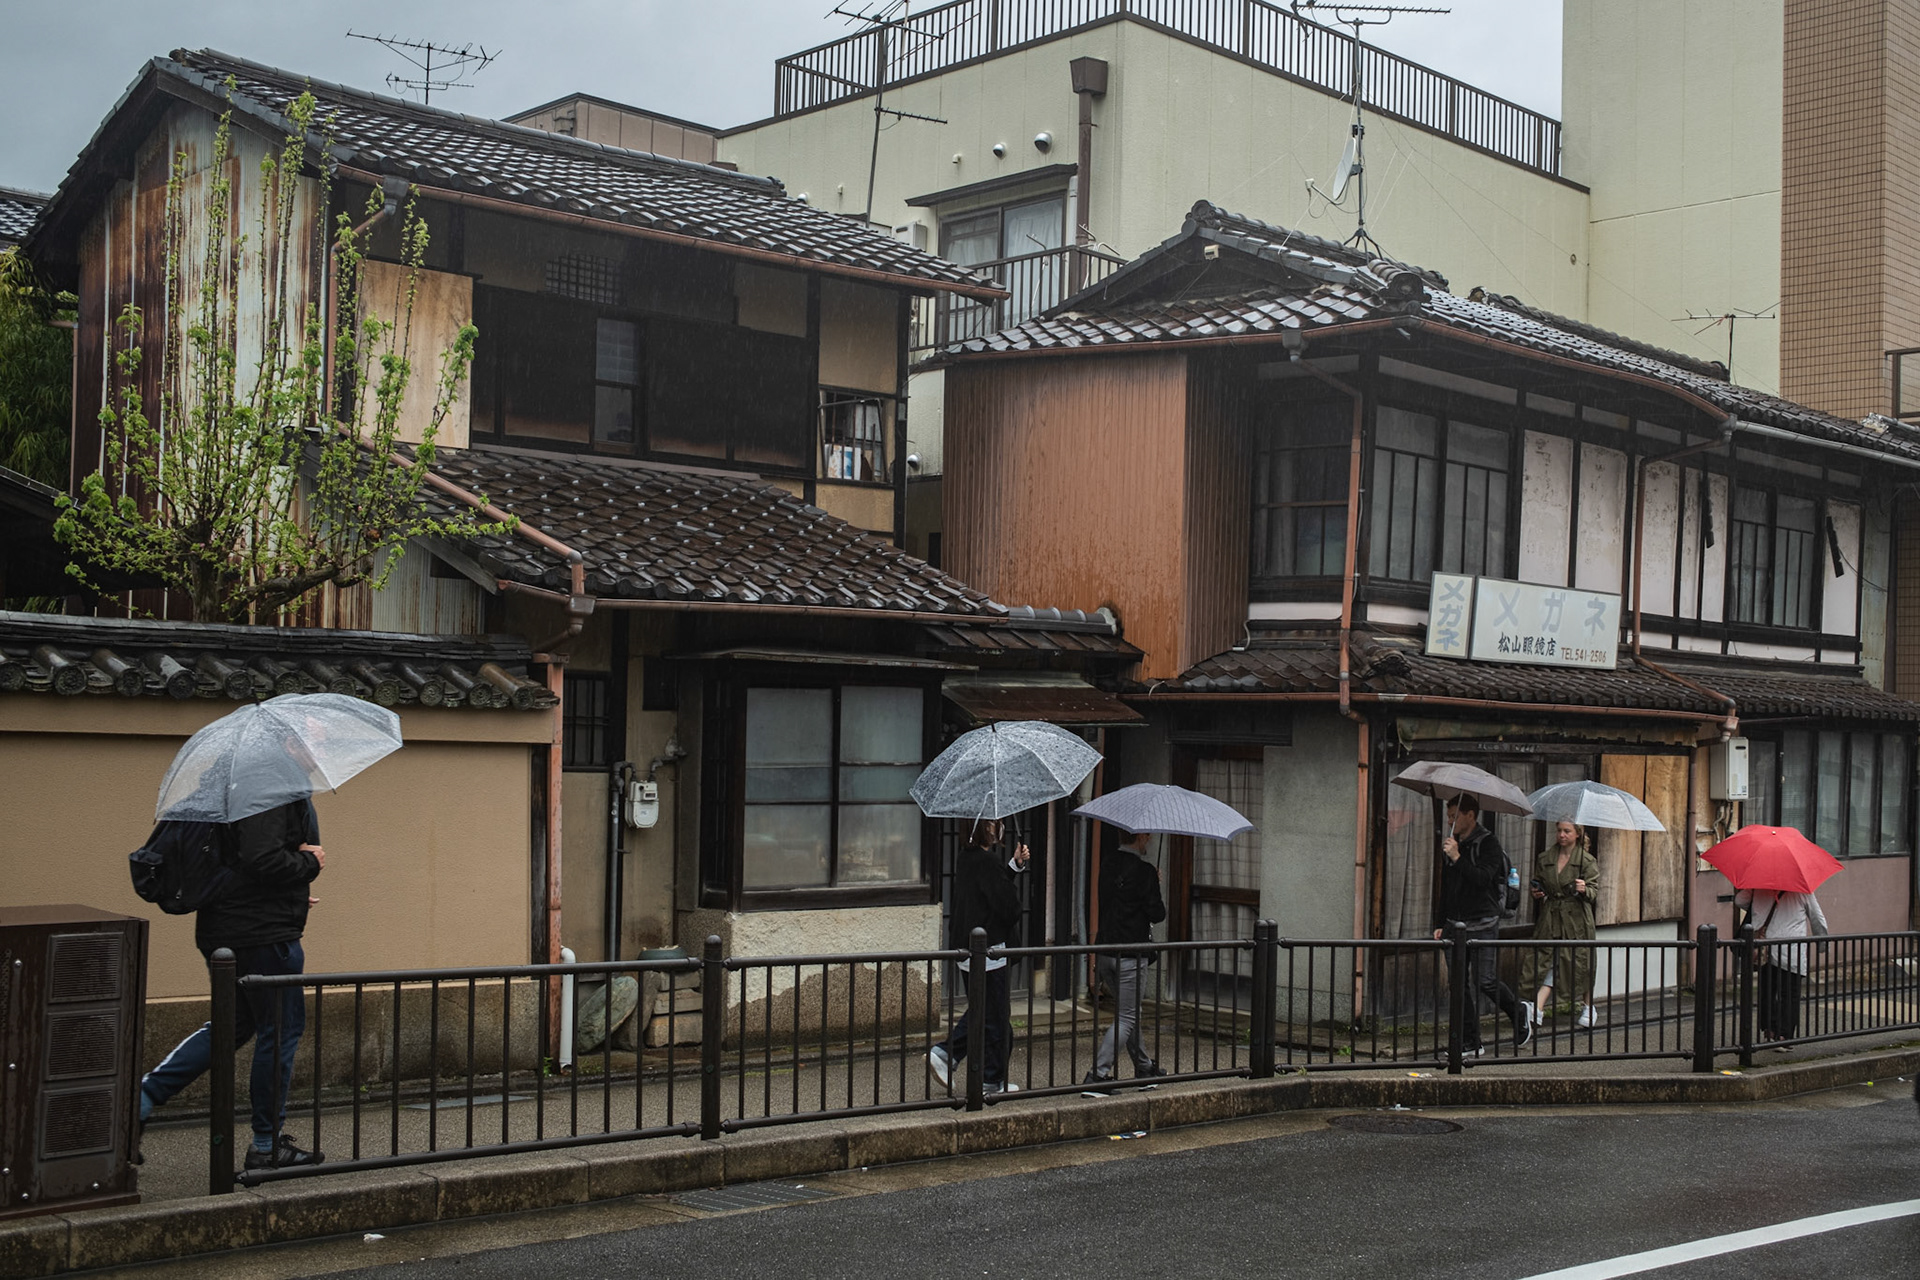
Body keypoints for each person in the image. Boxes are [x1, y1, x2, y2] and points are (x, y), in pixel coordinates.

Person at [139, 792, 327, 1169]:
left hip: (228, 927)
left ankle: (141, 1100)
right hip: (262, 935)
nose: (315, 758)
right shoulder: (269, 790)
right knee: (280, 1030)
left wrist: (287, 891)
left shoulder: (231, 788)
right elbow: (262, 858)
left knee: (231, 1025)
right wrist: (309, 862)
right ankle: (266, 1145)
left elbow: (237, 862)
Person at [928, 819, 1029, 1094]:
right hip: (989, 950)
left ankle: (980, 1072)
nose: (998, 827)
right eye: (993, 823)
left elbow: (987, 893)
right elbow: (1008, 906)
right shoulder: (987, 861)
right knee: (992, 1016)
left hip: (969, 947)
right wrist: (1009, 881)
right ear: (983, 828)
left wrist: (1013, 866)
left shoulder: (967, 858)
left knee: (988, 1013)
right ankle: (955, 1059)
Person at [1432, 794, 1532, 1056]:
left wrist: (1457, 857)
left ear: (1470, 815)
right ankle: (1470, 1042)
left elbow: (1482, 879)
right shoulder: (1453, 844)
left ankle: (1518, 1011)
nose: (1450, 821)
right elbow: (1446, 886)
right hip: (1455, 924)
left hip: (1483, 922)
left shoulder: (1489, 843)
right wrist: (1440, 921)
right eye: (1448, 816)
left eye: (1454, 816)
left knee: (1484, 980)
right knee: (1458, 985)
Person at [1084, 829, 1170, 1091]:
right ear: (1140, 837)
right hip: (1131, 955)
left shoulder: (1107, 864)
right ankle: (1097, 1076)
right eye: (1148, 836)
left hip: (1105, 950)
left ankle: (1144, 1067)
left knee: (1129, 1013)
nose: (1150, 841)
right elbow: (1157, 914)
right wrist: (1154, 883)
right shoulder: (1144, 872)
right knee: (1127, 1017)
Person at [1523, 821, 1602, 1029]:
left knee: (1581, 963)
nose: (1562, 835)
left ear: (1577, 834)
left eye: (1567, 831)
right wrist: (1537, 892)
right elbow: (1538, 882)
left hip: (1577, 920)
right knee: (1546, 960)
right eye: (1559, 830)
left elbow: (1594, 892)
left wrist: (1584, 889)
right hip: (1551, 917)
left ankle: (1588, 1007)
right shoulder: (1545, 858)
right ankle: (1537, 1007)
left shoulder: (1586, 861)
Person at [1733, 886, 1828, 1048]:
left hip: (1765, 949)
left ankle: (1769, 1030)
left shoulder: (1760, 887)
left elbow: (1739, 900)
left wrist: (1757, 903)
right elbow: (1817, 918)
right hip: (1791, 951)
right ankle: (1784, 1035)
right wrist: (1822, 944)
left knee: (1767, 992)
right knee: (1789, 995)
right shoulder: (1802, 890)